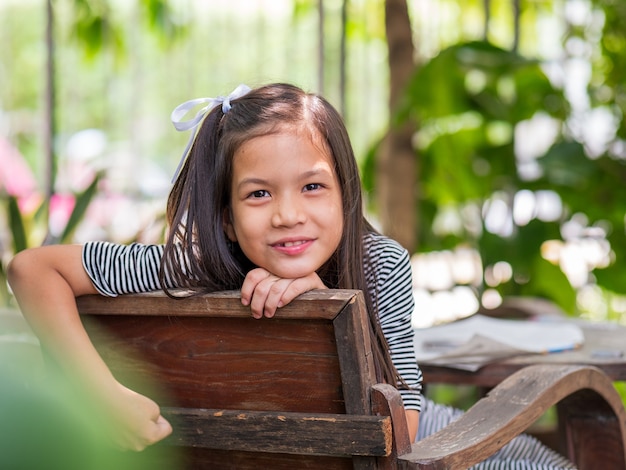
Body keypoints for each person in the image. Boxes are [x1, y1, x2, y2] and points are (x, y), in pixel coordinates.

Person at [8, 83, 574, 469]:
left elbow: (35, 269)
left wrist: (327, 302)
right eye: (259, 194)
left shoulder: (372, 265)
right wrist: (104, 395)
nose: (288, 214)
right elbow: (402, 438)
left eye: (311, 186)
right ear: (226, 219)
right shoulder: (193, 266)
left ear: (346, 195)